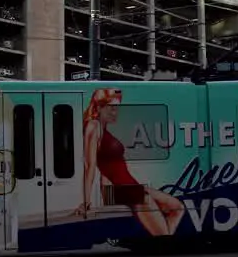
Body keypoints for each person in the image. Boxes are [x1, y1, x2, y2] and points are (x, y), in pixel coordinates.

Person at [75, 88, 185, 237]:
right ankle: (163, 240)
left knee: (177, 207)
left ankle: (164, 239)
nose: (115, 112)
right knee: (163, 234)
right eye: (112, 108)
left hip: (129, 185)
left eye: (117, 108)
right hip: (114, 190)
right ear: (99, 107)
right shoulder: (93, 126)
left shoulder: (103, 128)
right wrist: (87, 201)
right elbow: (90, 166)